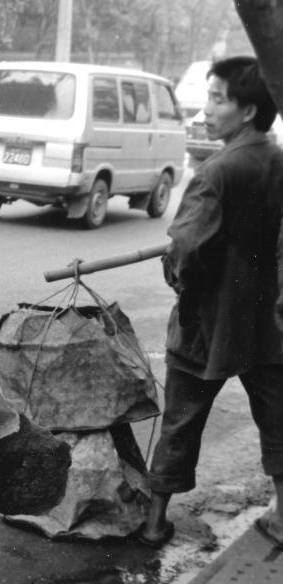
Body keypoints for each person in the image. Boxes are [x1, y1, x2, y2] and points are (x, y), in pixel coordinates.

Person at [139, 56, 283, 550]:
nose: (206, 109)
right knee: (278, 415)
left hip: (209, 324)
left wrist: (177, 277)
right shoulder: (277, 159)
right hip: (268, 322)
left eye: (217, 98)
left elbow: (186, 251)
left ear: (247, 110)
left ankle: (155, 522)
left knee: (180, 419)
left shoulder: (216, 172)